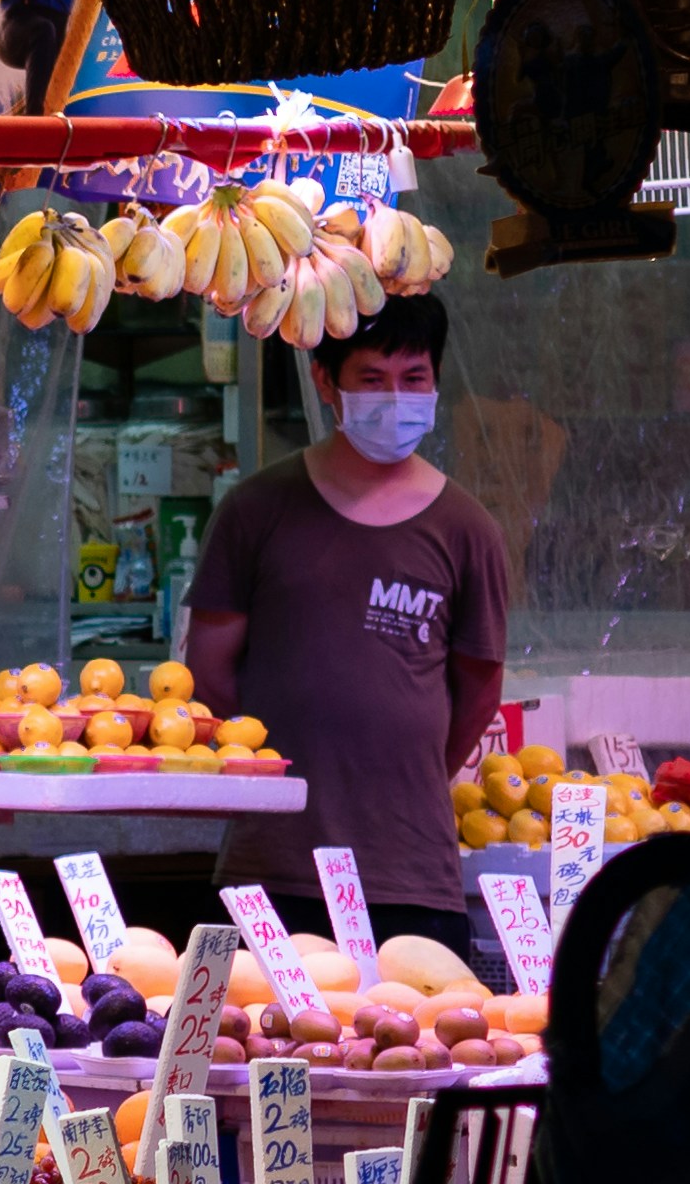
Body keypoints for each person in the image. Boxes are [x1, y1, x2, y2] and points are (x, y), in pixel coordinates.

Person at [182, 292, 510, 906]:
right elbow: (208, 674)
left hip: (412, 875)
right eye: (371, 377)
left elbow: (479, 691)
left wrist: (400, 778)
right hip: (270, 868)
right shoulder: (254, 511)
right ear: (325, 381)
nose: (394, 397)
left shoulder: (468, 529)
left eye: (414, 378)